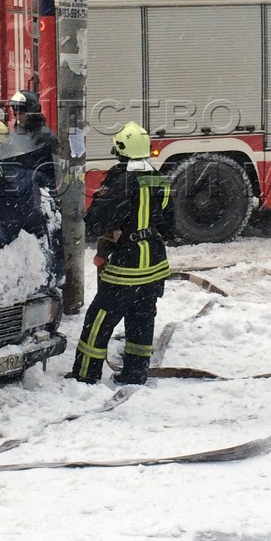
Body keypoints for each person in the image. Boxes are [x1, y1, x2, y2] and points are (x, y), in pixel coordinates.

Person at [71, 122, 171, 385]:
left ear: (122, 149)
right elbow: (169, 221)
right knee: (142, 319)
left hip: (126, 264)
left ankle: (85, 375)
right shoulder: (159, 176)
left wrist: (114, 231)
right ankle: (135, 374)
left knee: (99, 319)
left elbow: (95, 220)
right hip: (154, 264)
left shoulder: (121, 180)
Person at [6, 89, 61, 183]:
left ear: (32, 113)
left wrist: (21, 159)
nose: (18, 117)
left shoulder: (45, 136)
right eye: (16, 113)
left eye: (21, 113)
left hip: (40, 191)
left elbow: (47, 169)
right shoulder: (17, 133)